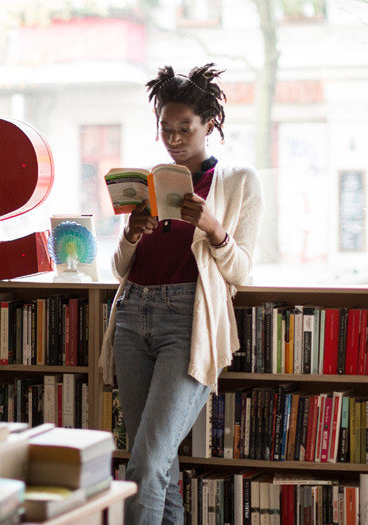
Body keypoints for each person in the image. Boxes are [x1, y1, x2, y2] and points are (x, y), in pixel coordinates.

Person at [98, 63, 263, 524]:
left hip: (187, 321)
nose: (174, 138)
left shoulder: (237, 182)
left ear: (209, 124)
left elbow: (242, 271)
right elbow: (119, 271)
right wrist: (131, 233)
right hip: (132, 317)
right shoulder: (151, 182)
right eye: (165, 129)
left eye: (184, 128)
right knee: (159, 466)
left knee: (146, 465)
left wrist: (212, 228)